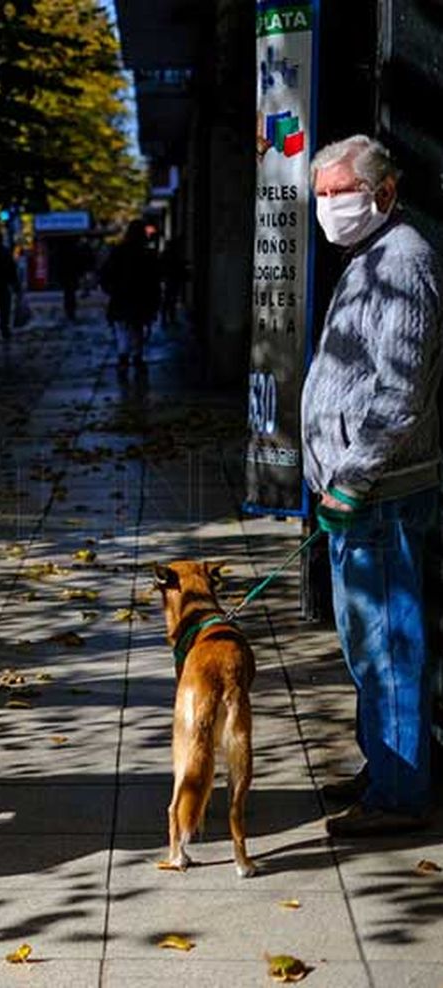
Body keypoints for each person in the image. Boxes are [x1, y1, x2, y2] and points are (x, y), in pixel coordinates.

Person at [302, 134, 441, 837]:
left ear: (384, 192)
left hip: (380, 495)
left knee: (391, 646)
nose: (329, 207)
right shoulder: (369, 257)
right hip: (358, 495)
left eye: (340, 193)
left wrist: (350, 478)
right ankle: (387, 765)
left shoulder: (406, 262)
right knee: (368, 644)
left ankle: (401, 795)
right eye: (321, 195)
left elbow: (399, 390)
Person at [100, 223, 161, 371]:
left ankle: (123, 357)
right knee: (137, 327)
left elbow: (106, 273)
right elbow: (154, 278)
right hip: (141, 297)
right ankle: (137, 356)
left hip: (121, 296)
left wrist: (110, 289)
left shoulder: (118, 251)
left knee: (122, 328)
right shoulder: (147, 253)